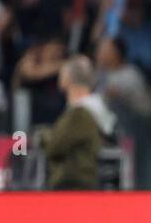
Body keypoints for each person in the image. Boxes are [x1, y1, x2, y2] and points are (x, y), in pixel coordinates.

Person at [41, 54, 113, 190]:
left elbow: (54, 146)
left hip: (73, 184)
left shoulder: (80, 113)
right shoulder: (94, 109)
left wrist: (41, 135)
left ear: (68, 78)